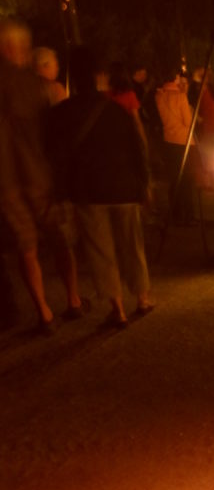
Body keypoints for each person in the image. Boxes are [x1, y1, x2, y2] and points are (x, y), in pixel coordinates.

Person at [47, 46, 153, 328]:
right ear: (99, 75)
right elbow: (137, 148)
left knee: (100, 251)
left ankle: (117, 309)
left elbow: (57, 157)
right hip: (125, 188)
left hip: (89, 192)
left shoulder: (63, 113)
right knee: (132, 245)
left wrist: (61, 194)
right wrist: (144, 184)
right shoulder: (116, 110)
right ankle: (143, 299)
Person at [0, 18, 87, 334]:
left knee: (27, 248)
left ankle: (44, 312)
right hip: (40, 175)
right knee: (60, 238)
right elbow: (56, 133)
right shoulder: (37, 86)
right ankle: (73, 300)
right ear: (14, 47)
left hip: (6, 183)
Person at [155, 66, 201, 225]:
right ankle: (188, 215)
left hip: (169, 140)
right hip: (184, 141)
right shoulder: (180, 97)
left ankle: (175, 213)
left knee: (175, 179)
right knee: (187, 180)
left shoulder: (159, 96)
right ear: (174, 77)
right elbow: (188, 122)